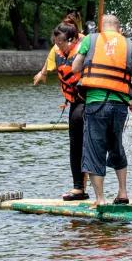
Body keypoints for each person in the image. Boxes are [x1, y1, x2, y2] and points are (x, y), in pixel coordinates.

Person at [72, 14, 132, 206]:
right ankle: (123, 193)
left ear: (101, 28)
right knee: (116, 145)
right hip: (120, 105)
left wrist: (89, 60)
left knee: (95, 149)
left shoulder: (90, 39)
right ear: (119, 29)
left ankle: (100, 199)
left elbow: (74, 67)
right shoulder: (130, 46)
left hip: (95, 104)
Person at [51, 22, 88, 201]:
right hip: (73, 101)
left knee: (86, 144)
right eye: (56, 42)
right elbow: (50, 62)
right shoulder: (58, 51)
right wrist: (42, 73)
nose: (58, 45)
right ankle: (78, 188)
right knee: (75, 145)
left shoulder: (83, 50)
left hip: (88, 99)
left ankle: (86, 188)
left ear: (72, 40)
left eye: (61, 42)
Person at [33, 11, 83, 86]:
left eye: (61, 45)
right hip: (69, 92)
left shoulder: (85, 44)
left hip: (85, 92)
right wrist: (43, 73)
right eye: (57, 44)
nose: (59, 48)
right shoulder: (58, 46)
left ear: (71, 40)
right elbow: (50, 57)